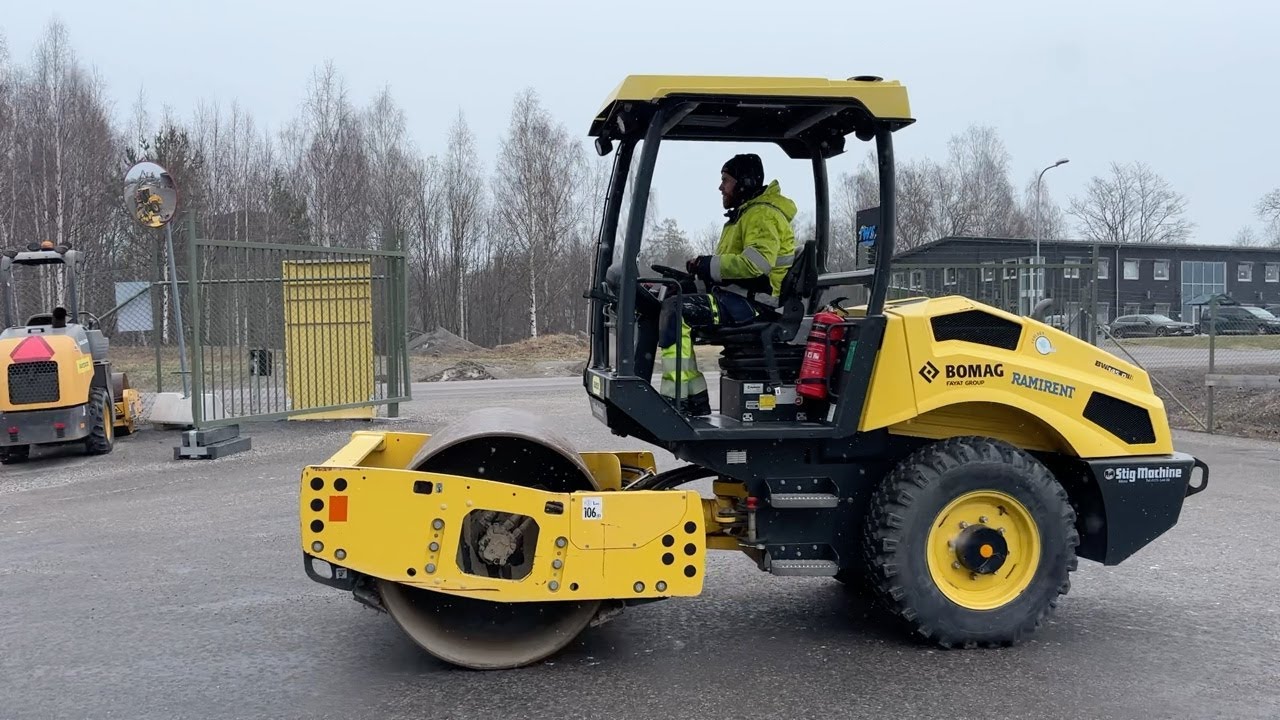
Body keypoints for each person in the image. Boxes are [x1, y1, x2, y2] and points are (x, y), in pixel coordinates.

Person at [656, 153, 798, 416]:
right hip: (741, 299)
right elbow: (728, 276)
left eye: (726, 180)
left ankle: (678, 399)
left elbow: (755, 266)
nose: (720, 187)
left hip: (757, 305)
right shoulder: (743, 216)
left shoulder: (762, 215)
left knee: (677, 311)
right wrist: (692, 282)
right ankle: (694, 399)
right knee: (675, 301)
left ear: (744, 182)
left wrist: (706, 264)